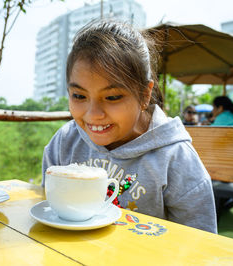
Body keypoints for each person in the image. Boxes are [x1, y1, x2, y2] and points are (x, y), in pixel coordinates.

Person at [41, 20, 217, 233]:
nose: (93, 114)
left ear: (145, 94)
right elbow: (49, 214)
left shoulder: (175, 158)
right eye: (79, 96)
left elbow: (200, 242)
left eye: (112, 97)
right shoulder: (64, 143)